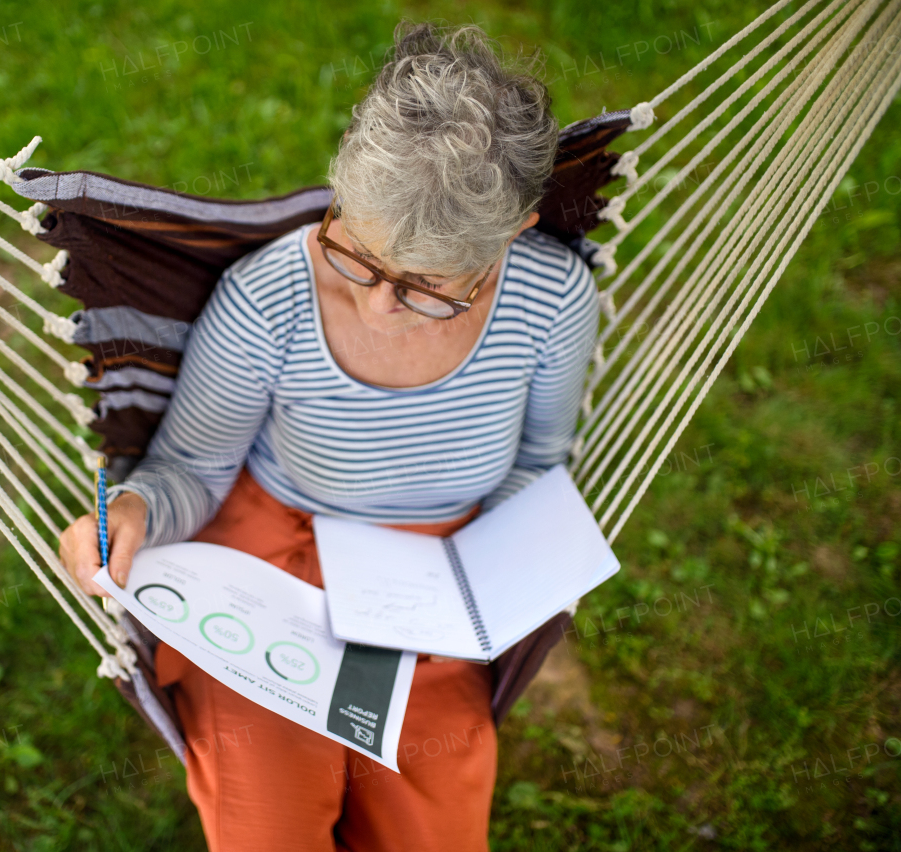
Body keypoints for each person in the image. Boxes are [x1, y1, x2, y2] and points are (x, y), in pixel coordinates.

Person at [59, 20, 599, 852]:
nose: (379, 305)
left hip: (441, 590)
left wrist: (494, 588)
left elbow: (537, 462)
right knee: (267, 826)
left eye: (429, 288)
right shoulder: (269, 298)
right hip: (272, 573)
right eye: (357, 256)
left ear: (516, 231)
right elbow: (194, 468)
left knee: (432, 832)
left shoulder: (551, 302)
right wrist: (133, 511)